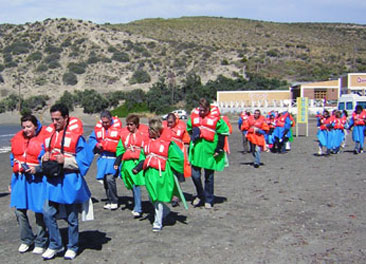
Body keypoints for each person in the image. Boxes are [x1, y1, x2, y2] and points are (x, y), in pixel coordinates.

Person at [41, 103, 92, 260]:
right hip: (53, 181)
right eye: (52, 119)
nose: (54, 122)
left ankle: (72, 246)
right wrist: (43, 158)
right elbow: (42, 153)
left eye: (58, 119)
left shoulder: (76, 138)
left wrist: (66, 160)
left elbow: (85, 161)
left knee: (71, 216)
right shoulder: (49, 137)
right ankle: (55, 244)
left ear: (66, 118)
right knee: (47, 212)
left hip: (69, 180)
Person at [132, 118, 186, 232]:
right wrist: (138, 168)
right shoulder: (146, 143)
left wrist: (173, 168)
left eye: (152, 129)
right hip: (150, 174)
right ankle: (165, 211)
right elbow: (143, 157)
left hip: (162, 173)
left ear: (157, 130)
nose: (149, 132)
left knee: (158, 197)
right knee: (152, 197)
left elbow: (178, 156)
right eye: (149, 129)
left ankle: (157, 222)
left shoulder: (167, 143)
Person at [9, 114, 48, 254]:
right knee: (19, 211)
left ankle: (41, 241)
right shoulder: (17, 138)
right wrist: (11, 182)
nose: (26, 130)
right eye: (24, 127)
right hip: (20, 179)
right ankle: (27, 239)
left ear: (35, 126)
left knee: (39, 211)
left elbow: (49, 162)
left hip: (38, 180)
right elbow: (13, 159)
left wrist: (38, 169)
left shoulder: (44, 137)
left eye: (29, 126)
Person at [187, 98, 229, 209]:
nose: (201, 113)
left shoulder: (217, 119)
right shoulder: (195, 117)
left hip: (210, 151)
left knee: (209, 177)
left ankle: (209, 199)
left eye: (203, 111)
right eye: (200, 110)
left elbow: (222, 133)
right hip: (197, 150)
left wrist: (218, 148)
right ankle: (200, 194)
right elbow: (189, 128)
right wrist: (193, 136)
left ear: (208, 109)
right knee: (195, 175)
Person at [114, 114, 147, 217]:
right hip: (127, 164)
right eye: (127, 124)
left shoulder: (143, 135)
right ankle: (137, 205)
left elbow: (147, 148)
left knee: (137, 184)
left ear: (137, 125)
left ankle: (138, 208)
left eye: (131, 124)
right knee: (132, 185)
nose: (129, 127)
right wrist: (117, 162)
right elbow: (120, 149)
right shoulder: (125, 135)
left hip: (139, 163)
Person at [88, 110, 122, 210]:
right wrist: (96, 145)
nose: (105, 124)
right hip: (103, 158)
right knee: (105, 180)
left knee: (110, 178)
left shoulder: (118, 129)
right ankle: (109, 199)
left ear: (111, 119)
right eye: (103, 122)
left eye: (107, 122)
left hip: (113, 158)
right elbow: (92, 139)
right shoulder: (98, 129)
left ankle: (115, 200)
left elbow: (122, 142)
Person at [162, 113, 191, 207]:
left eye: (171, 122)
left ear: (175, 121)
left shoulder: (182, 127)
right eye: (168, 122)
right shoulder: (163, 127)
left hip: (177, 156)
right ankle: (168, 195)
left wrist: (186, 156)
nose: (169, 124)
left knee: (176, 178)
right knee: (167, 176)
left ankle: (176, 197)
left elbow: (186, 142)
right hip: (166, 155)